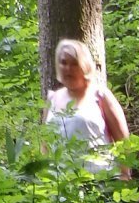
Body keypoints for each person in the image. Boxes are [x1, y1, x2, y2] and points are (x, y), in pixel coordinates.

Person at [42, 39, 129, 174]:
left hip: (99, 183)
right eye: (63, 63)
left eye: (74, 63)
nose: (68, 69)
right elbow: (45, 145)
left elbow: (123, 142)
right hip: (61, 184)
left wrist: (124, 175)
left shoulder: (100, 96)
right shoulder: (52, 99)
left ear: (85, 65)